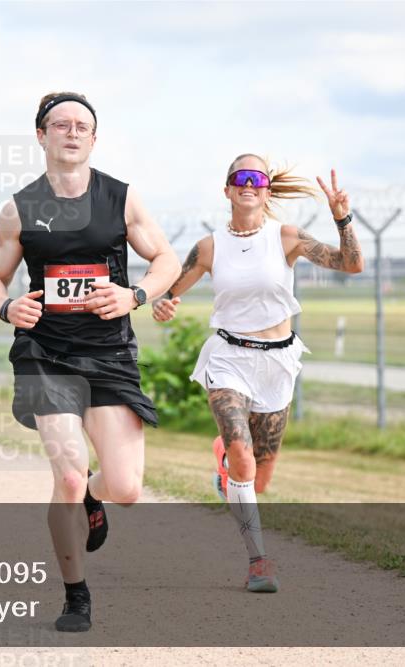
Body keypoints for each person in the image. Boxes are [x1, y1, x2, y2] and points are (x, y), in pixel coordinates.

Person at [0, 92, 180, 632]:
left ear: (95, 138)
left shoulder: (122, 198)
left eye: (81, 126)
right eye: (59, 124)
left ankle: (97, 495)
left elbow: (165, 258)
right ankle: (76, 595)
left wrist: (134, 296)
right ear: (41, 135)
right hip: (46, 353)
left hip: (110, 352)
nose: (71, 132)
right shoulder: (19, 208)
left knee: (127, 488)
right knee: (66, 474)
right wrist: (6, 306)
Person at [152, 154, 363, 593]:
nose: (249, 184)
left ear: (267, 191)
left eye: (258, 178)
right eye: (239, 177)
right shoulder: (209, 247)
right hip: (229, 357)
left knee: (258, 478)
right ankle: (258, 562)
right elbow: (169, 291)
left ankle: (225, 469)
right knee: (243, 458)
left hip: (277, 363)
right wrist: (162, 303)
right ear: (227, 189)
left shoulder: (285, 236)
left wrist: (342, 218)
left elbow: (351, 264)